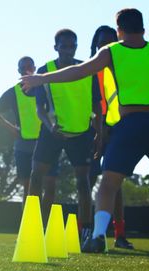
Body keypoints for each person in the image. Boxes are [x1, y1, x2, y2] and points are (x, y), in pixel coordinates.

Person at [21, 9, 149, 257]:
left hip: (131, 125)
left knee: (109, 183)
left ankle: (97, 236)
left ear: (118, 30)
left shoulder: (112, 51)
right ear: (143, 29)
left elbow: (78, 72)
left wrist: (41, 78)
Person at [28, 29, 102, 232]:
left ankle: (85, 231)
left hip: (81, 134)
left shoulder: (87, 70)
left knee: (83, 183)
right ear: (56, 48)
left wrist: (99, 134)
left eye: (72, 46)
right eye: (64, 46)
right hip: (52, 132)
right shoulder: (45, 70)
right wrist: (50, 125)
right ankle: (32, 227)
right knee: (36, 177)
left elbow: (97, 105)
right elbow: (39, 109)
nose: (69, 50)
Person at [0, 56, 59, 213]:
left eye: (30, 67)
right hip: (24, 146)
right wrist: (12, 129)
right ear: (19, 71)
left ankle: (45, 225)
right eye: (23, 68)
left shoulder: (45, 87)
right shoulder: (13, 92)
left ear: (35, 69)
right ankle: (28, 227)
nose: (27, 70)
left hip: (47, 142)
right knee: (28, 188)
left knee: (50, 184)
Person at [87, 25, 133, 250]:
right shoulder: (88, 70)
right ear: (95, 46)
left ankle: (120, 235)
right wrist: (97, 131)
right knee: (86, 181)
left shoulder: (122, 67)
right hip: (90, 130)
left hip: (115, 129)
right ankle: (88, 232)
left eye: (109, 42)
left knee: (115, 183)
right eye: (100, 43)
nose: (104, 46)